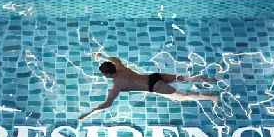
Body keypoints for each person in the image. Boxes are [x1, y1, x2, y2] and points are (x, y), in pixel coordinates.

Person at [79, 55, 218, 120]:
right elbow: (114, 59)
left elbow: (108, 103)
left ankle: (212, 97)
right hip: (154, 76)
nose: (104, 76)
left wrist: (90, 113)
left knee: (183, 97)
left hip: (155, 86)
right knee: (185, 79)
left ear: (108, 74)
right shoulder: (120, 67)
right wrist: (101, 56)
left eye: (104, 74)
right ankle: (212, 80)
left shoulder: (118, 84)